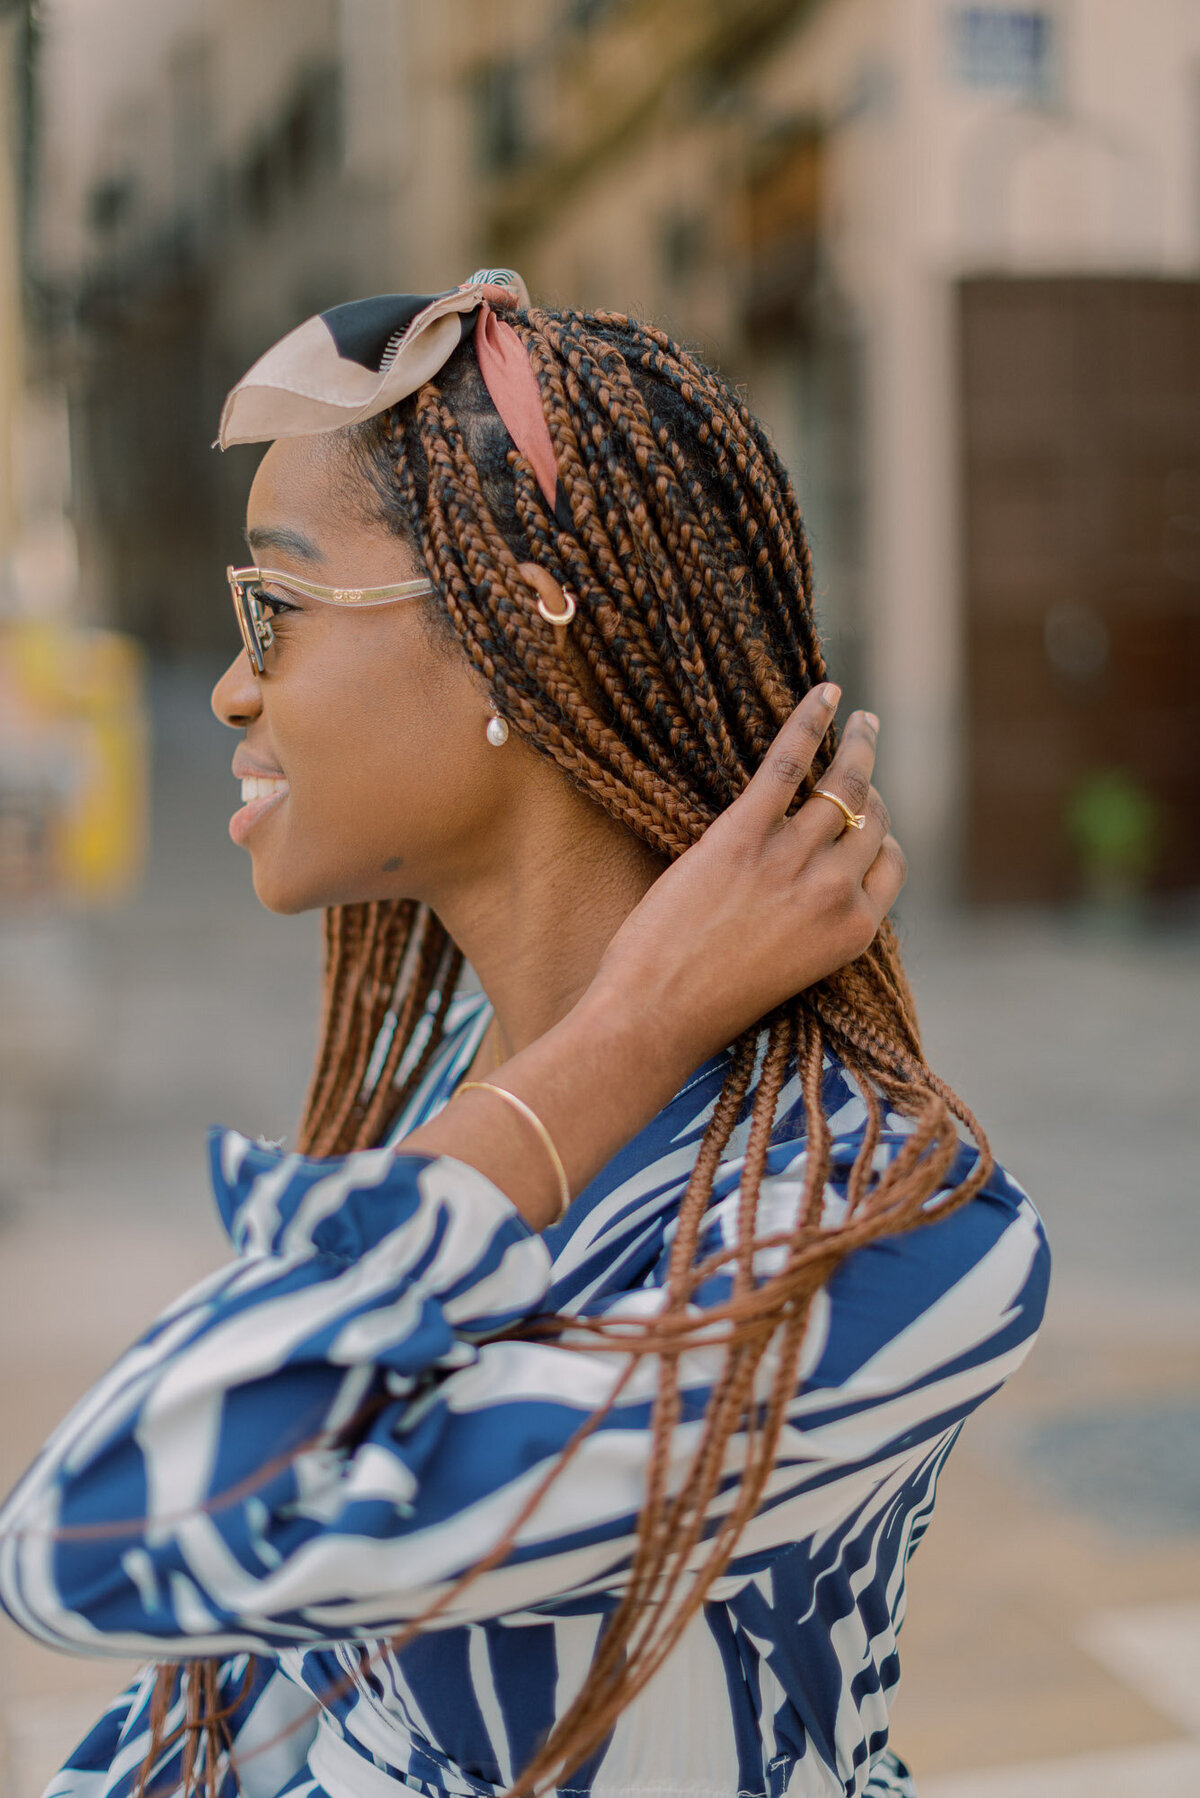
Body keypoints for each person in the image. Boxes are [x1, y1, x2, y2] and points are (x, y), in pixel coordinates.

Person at [0, 271, 1049, 1798]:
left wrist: (631, 1027)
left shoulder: (885, 1228)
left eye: (275, 608)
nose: (232, 685)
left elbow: (96, 1541)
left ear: (517, 639)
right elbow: (251, 1689)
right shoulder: (449, 1091)